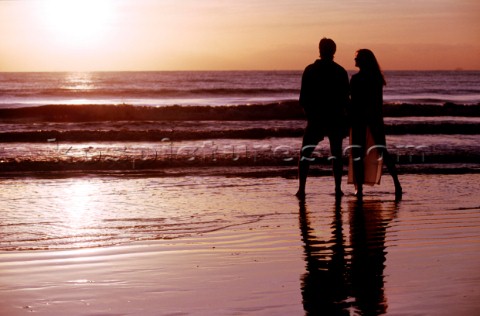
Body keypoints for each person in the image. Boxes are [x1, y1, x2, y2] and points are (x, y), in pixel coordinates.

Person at [296, 38, 350, 199]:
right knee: (336, 154)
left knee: (305, 153)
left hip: (318, 118)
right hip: (334, 117)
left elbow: (303, 99)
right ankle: (337, 188)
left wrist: (311, 116)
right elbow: (345, 100)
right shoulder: (340, 71)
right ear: (334, 51)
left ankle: (302, 189)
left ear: (320, 50)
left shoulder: (311, 70)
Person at [349, 49, 402, 200]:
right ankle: (397, 183)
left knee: (357, 155)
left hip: (359, 118)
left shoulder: (356, 79)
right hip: (375, 118)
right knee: (382, 151)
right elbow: (376, 103)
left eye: (357, 58)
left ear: (363, 61)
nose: (355, 60)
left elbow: (353, 103)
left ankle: (359, 189)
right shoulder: (376, 78)